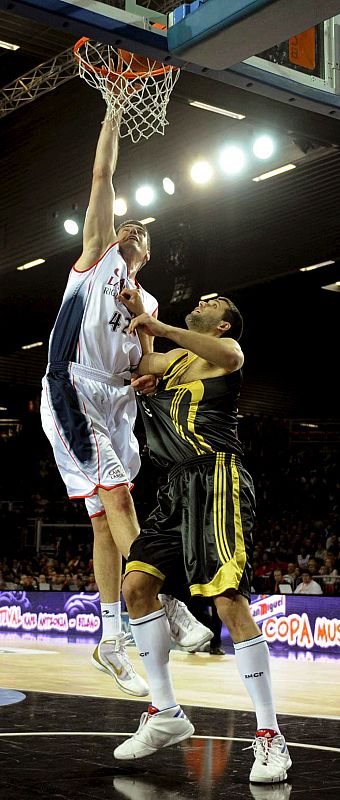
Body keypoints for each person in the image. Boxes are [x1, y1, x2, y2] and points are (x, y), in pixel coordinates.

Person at [40, 111, 211, 698]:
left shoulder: (150, 297)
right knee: (114, 495)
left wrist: (145, 333)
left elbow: (143, 368)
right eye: (127, 227)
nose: (133, 230)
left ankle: (111, 640)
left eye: (142, 231)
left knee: (105, 526)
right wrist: (114, 108)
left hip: (116, 399)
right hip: (73, 385)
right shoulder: (95, 257)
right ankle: (163, 601)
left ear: (149, 251)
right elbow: (101, 173)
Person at [114, 295, 292, 784]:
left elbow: (232, 357)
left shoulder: (224, 351)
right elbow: (142, 355)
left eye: (212, 302)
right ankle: (166, 712)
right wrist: (135, 299)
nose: (201, 299)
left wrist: (163, 328)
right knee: (135, 586)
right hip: (175, 485)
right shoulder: (172, 361)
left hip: (217, 480)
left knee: (226, 596)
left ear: (223, 323)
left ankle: (271, 737)